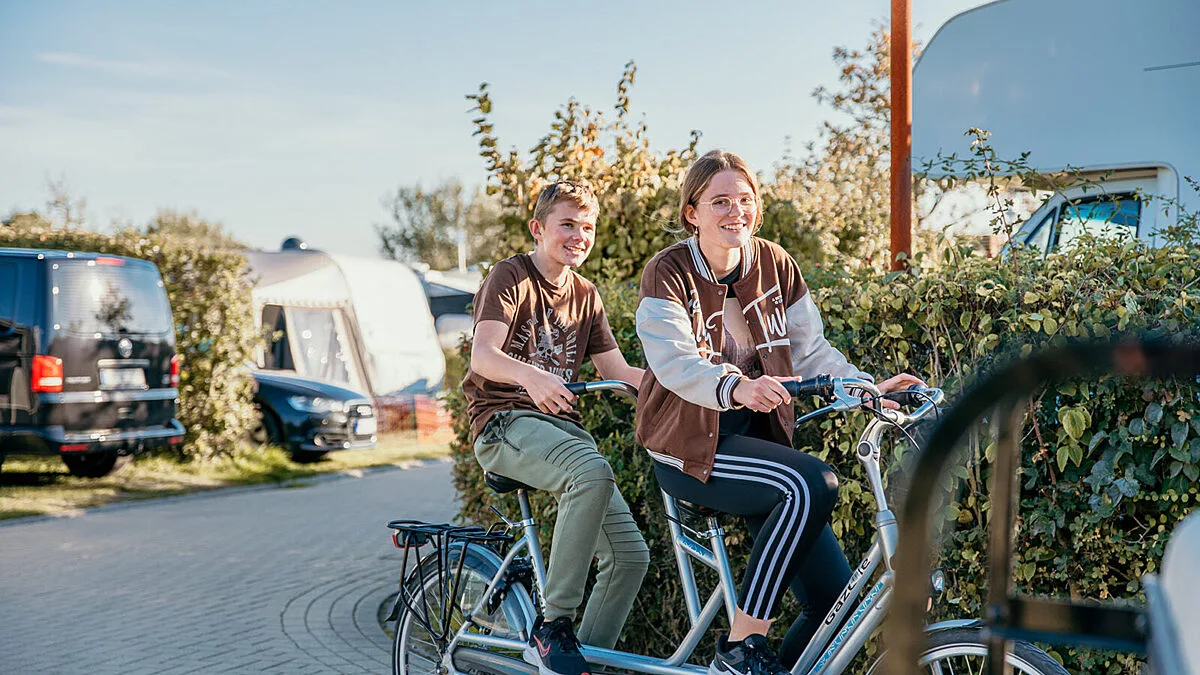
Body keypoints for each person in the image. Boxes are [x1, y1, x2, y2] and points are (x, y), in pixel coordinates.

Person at [634, 150, 924, 675]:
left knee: (833, 603)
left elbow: (812, 350)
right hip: (689, 446)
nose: (735, 212)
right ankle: (739, 648)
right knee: (812, 483)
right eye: (719, 201)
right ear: (692, 212)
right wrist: (736, 387)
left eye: (745, 200)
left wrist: (866, 390)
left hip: (757, 442)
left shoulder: (774, 264)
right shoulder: (668, 271)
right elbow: (674, 362)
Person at [463, 181, 650, 675]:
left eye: (587, 227)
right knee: (589, 471)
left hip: (560, 433)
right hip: (504, 423)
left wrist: (686, 381)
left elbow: (617, 370)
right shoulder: (511, 276)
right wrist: (531, 375)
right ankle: (555, 626)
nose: (578, 236)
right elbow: (483, 356)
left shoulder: (586, 295)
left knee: (631, 558)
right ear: (538, 228)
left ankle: (576, 666)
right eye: (567, 224)